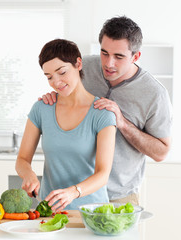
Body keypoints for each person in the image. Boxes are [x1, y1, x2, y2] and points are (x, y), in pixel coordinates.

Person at [40, 16, 173, 205]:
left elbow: (161, 152)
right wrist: (52, 97)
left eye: (119, 57)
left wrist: (123, 123)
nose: (109, 63)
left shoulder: (155, 94)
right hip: (74, 194)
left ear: (136, 57)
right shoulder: (82, 67)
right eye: (104, 53)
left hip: (118, 197)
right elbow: (59, 84)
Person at [15, 39, 116, 211]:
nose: (56, 82)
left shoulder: (102, 113)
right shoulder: (42, 109)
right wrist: (29, 175)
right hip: (51, 210)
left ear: (78, 63)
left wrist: (73, 192)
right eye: (49, 77)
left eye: (61, 72)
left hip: (92, 212)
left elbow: (102, 174)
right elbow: (22, 159)